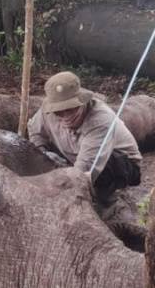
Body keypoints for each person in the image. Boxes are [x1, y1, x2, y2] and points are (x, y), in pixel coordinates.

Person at [28, 71, 142, 203]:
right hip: (74, 155)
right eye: (58, 112)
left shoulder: (100, 120)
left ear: (81, 101)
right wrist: (42, 153)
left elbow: (84, 169)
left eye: (70, 109)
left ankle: (107, 201)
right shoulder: (46, 110)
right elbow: (35, 132)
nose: (66, 116)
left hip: (118, 163)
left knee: (99, 173)